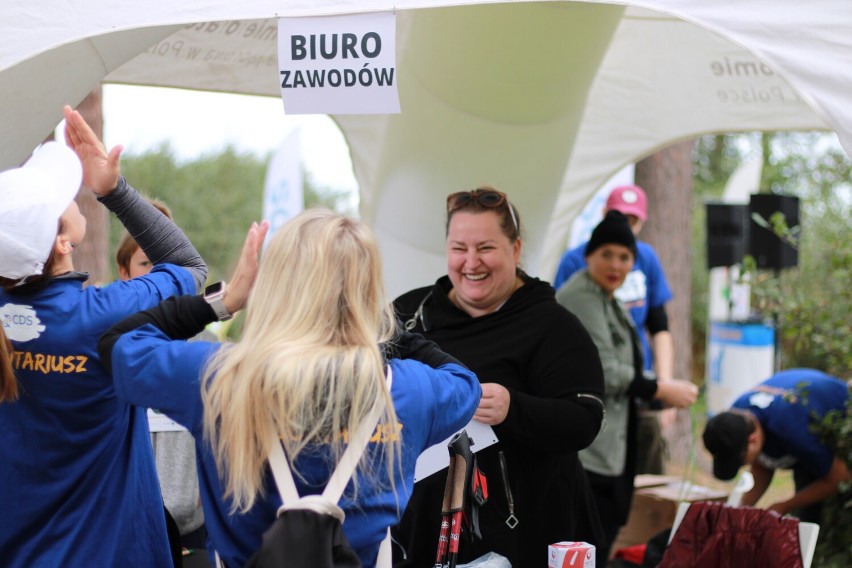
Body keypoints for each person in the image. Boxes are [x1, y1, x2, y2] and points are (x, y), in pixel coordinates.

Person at [97, 209, 482, 568]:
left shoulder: (220, 380)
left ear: (277, 284)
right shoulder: (408, 391)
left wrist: (223, 302)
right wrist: (378, 322)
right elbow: (466, 384)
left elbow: (118, 345)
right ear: (368, 291)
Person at [0, 106, 207, 567]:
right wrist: (114, 191)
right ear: (62, 241)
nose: (73, 195)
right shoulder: (101, 316)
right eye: (64, 196)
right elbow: (189, 267)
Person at [392, 186, 607, 567]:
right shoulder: (410, 315)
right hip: (423, 534)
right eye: (459, 248)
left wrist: (514, 408)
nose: (471, 262)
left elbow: (584, 420)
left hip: (525, 535)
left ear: (516, 249)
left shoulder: (553, 325)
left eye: (486, 248)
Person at [555, 210, 697, 559]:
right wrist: (661, 389)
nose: (615, 264)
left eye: (624, 257)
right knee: (586, 542)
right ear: (588, 256)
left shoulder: (607, 298)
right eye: (606, 254)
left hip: (612, 443)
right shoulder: (581, 296)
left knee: (603, 536)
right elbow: (605, 369)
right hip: (589, 451)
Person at [553, 184, 674, 475]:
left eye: (633, 220)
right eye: (619, 215)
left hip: (638, 386)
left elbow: (659, 326)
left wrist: (664, 389)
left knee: (643, 474)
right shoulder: (577, 261)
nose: (616, 265)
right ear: (604, 213)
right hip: (597, 390)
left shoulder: (646, 258)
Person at [115, 200, 210, 554]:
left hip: (196, 527)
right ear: (124, 271)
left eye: (169, 266)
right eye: (146, 264)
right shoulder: (110, 343)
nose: (159, 276)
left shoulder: (205, 342)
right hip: (130, 523)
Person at [703, 368, 850, 523]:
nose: (743, 465)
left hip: (835, 430)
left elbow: (840, 477)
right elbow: (762, 464)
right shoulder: (738, 413)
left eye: (740, 460)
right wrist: (739, 510)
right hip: (799, 424)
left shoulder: (793, 430)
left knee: (810, 517)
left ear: (753, 439)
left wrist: (785, 505)